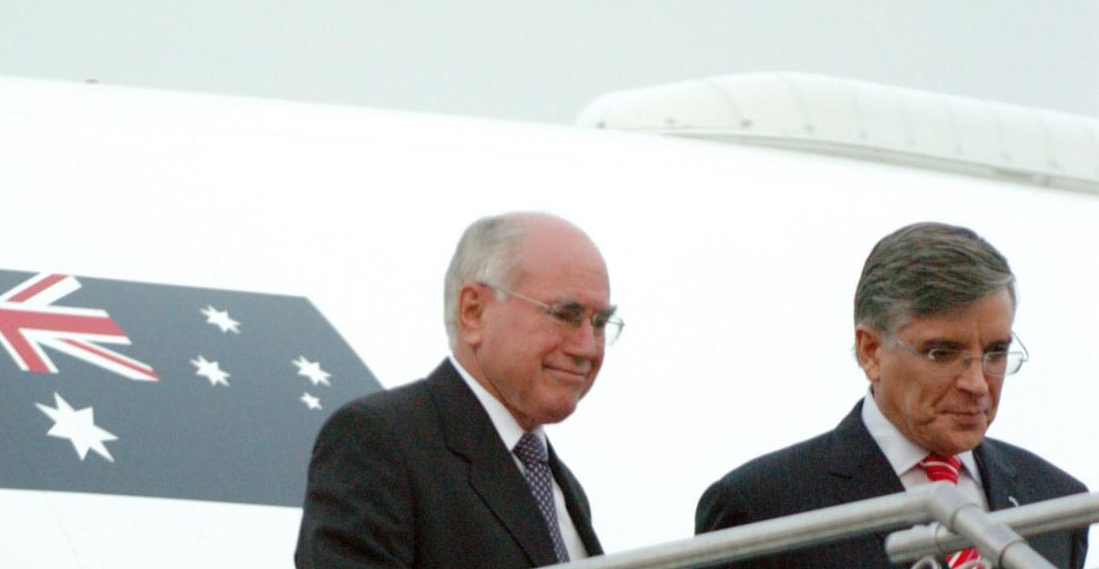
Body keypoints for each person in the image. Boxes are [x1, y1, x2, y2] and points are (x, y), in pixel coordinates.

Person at [695, 222, 1088, 568]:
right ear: (871, 352)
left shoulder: (1056, 500)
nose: (977, 383)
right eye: (943, 353)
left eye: (994, 353)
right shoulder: (762, 507)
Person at [295, 211, 619, 568]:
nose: (587, 348)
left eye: (600, 323)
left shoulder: (557, 485)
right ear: (473, 312)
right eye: (564, 315)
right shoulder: (380, 443)